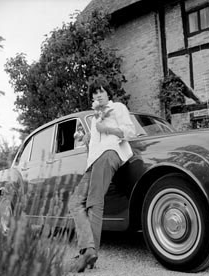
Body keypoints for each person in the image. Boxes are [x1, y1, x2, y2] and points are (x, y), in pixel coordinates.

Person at [67, 77, 136, 273]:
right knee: (75, 201)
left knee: (94, 202)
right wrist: (85, 137)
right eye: (94, 92)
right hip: (94, 160)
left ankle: (88, 253)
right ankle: (88, 249)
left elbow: (130, 132)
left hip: (109, 154)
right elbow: (94, 141)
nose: (98, 94)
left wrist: (107, 129)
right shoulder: (96, 116)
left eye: (101, 91)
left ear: (108, 93)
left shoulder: (118, 108)